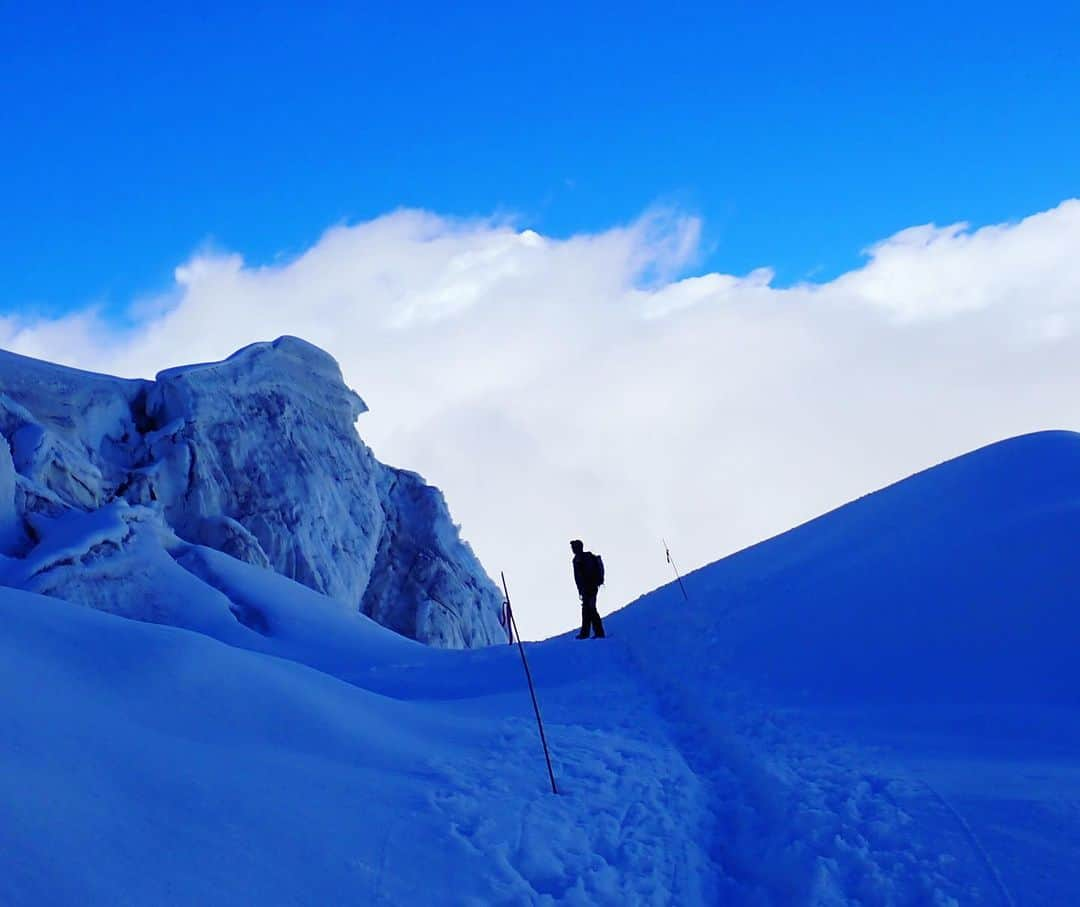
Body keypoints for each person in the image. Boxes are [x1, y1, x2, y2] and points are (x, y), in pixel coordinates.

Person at [570, 539, 605, 639]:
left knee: (590, 609)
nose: (573, 549)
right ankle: (587, 633)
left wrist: (586, 587)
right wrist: (581, 590)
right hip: (586, 589)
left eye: (574, 547)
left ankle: (597, 633)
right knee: (587, 609)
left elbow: (584, 576)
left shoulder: (585, 558)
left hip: (590, 587)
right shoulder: (576, 560)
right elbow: (578, 578)